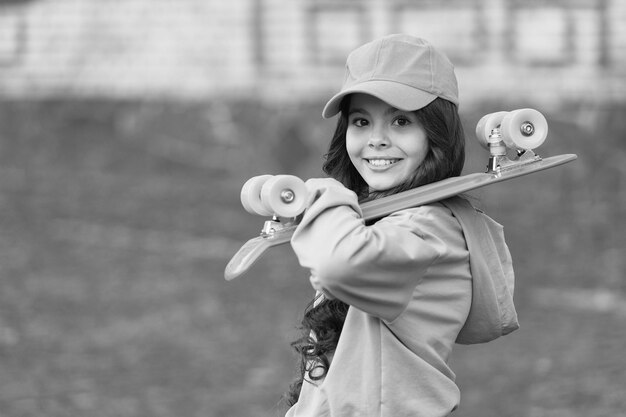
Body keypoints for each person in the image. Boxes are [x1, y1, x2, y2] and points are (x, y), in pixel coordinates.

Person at [282, 34, 519, 417]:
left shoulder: (430, 232)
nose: (376, 139)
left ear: (436, 134)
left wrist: (326, 196)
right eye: (361, 121)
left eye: (401, 121)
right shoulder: (380, 224)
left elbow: (338, 264)